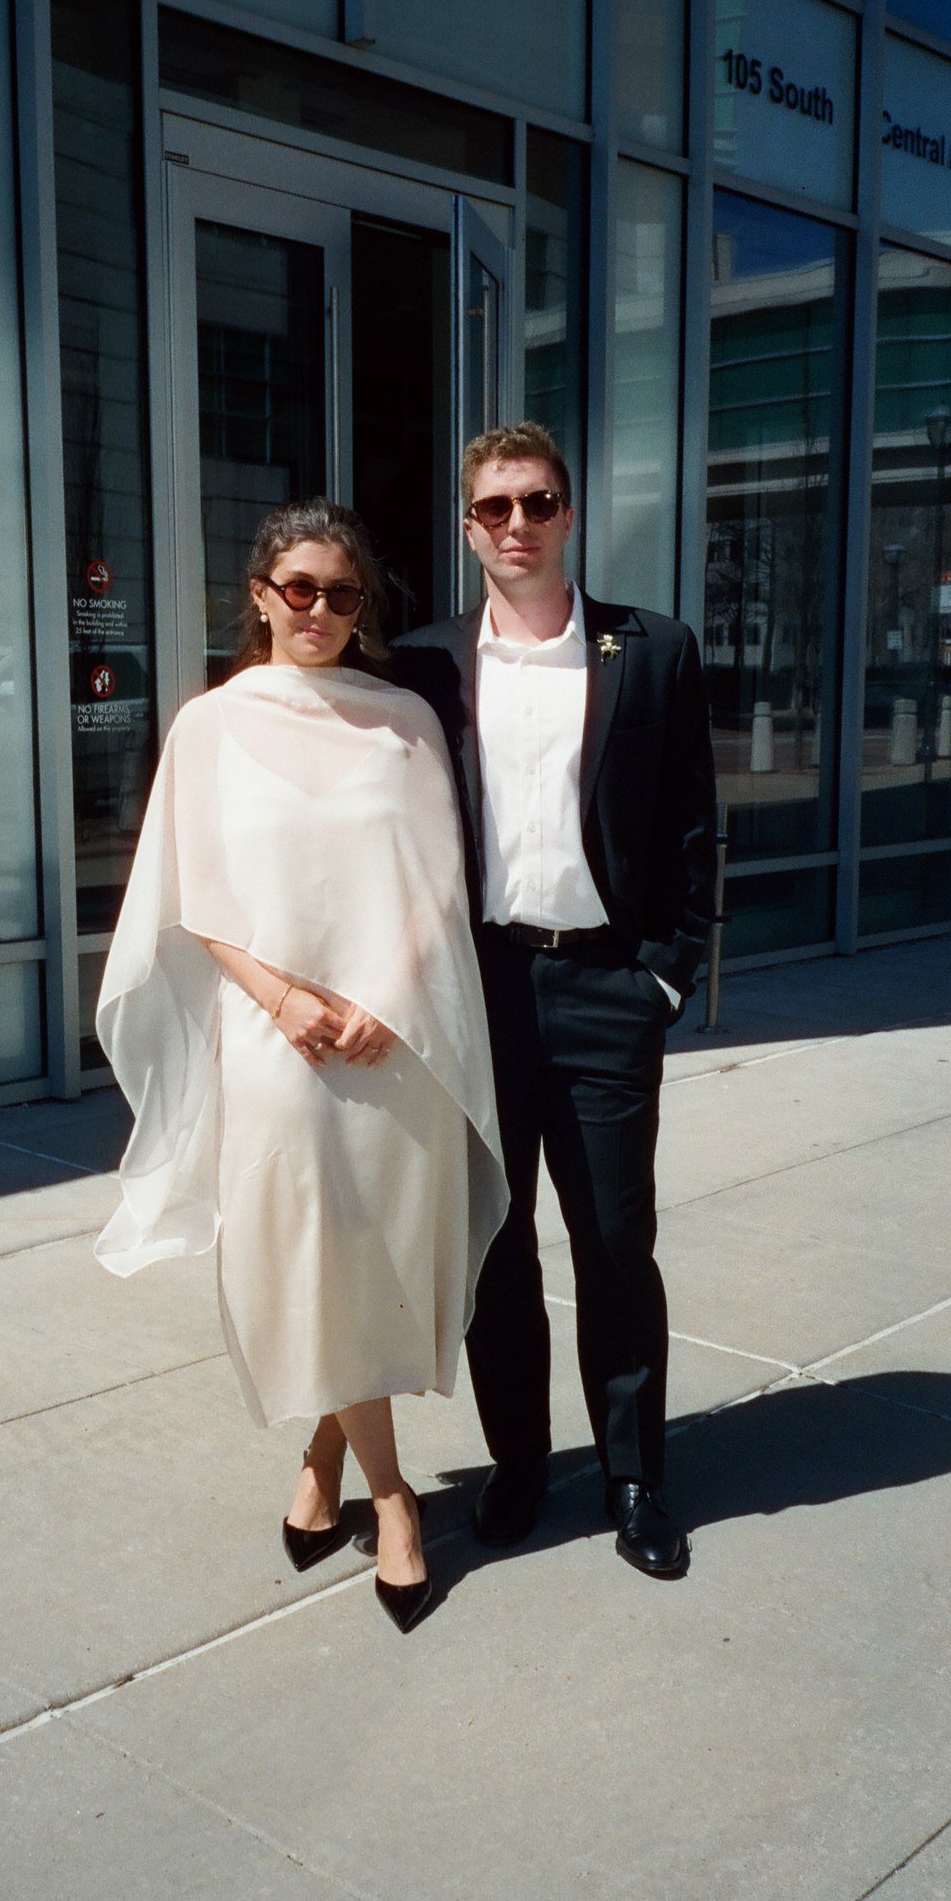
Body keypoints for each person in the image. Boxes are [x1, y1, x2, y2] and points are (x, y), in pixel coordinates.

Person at [95, 499, 507, 1633]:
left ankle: (322, 1466)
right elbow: (192, 893)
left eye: (341, 592)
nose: (318, 609)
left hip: (395, 1039)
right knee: (321, 1253)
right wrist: (280, 997)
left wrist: (384, 999)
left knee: (372, 1261)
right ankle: (395, 1501)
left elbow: (435, 886)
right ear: (260, 594)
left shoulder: (404, 719)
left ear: (362, 607)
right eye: (299, 588)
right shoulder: (210, 726)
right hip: (276, 1040)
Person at [395, 423, 717, 1578]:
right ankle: (520, 1463)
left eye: (535, 502)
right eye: (493, 508)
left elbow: (690, 823)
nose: (515, 525)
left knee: (615, 1242)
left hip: (605, 986)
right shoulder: (423, 663)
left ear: (568, 513)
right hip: (478, 991)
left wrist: (665, 973)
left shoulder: (652, 650)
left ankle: (634, 1476)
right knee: (495, 1251)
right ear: (466, 524)